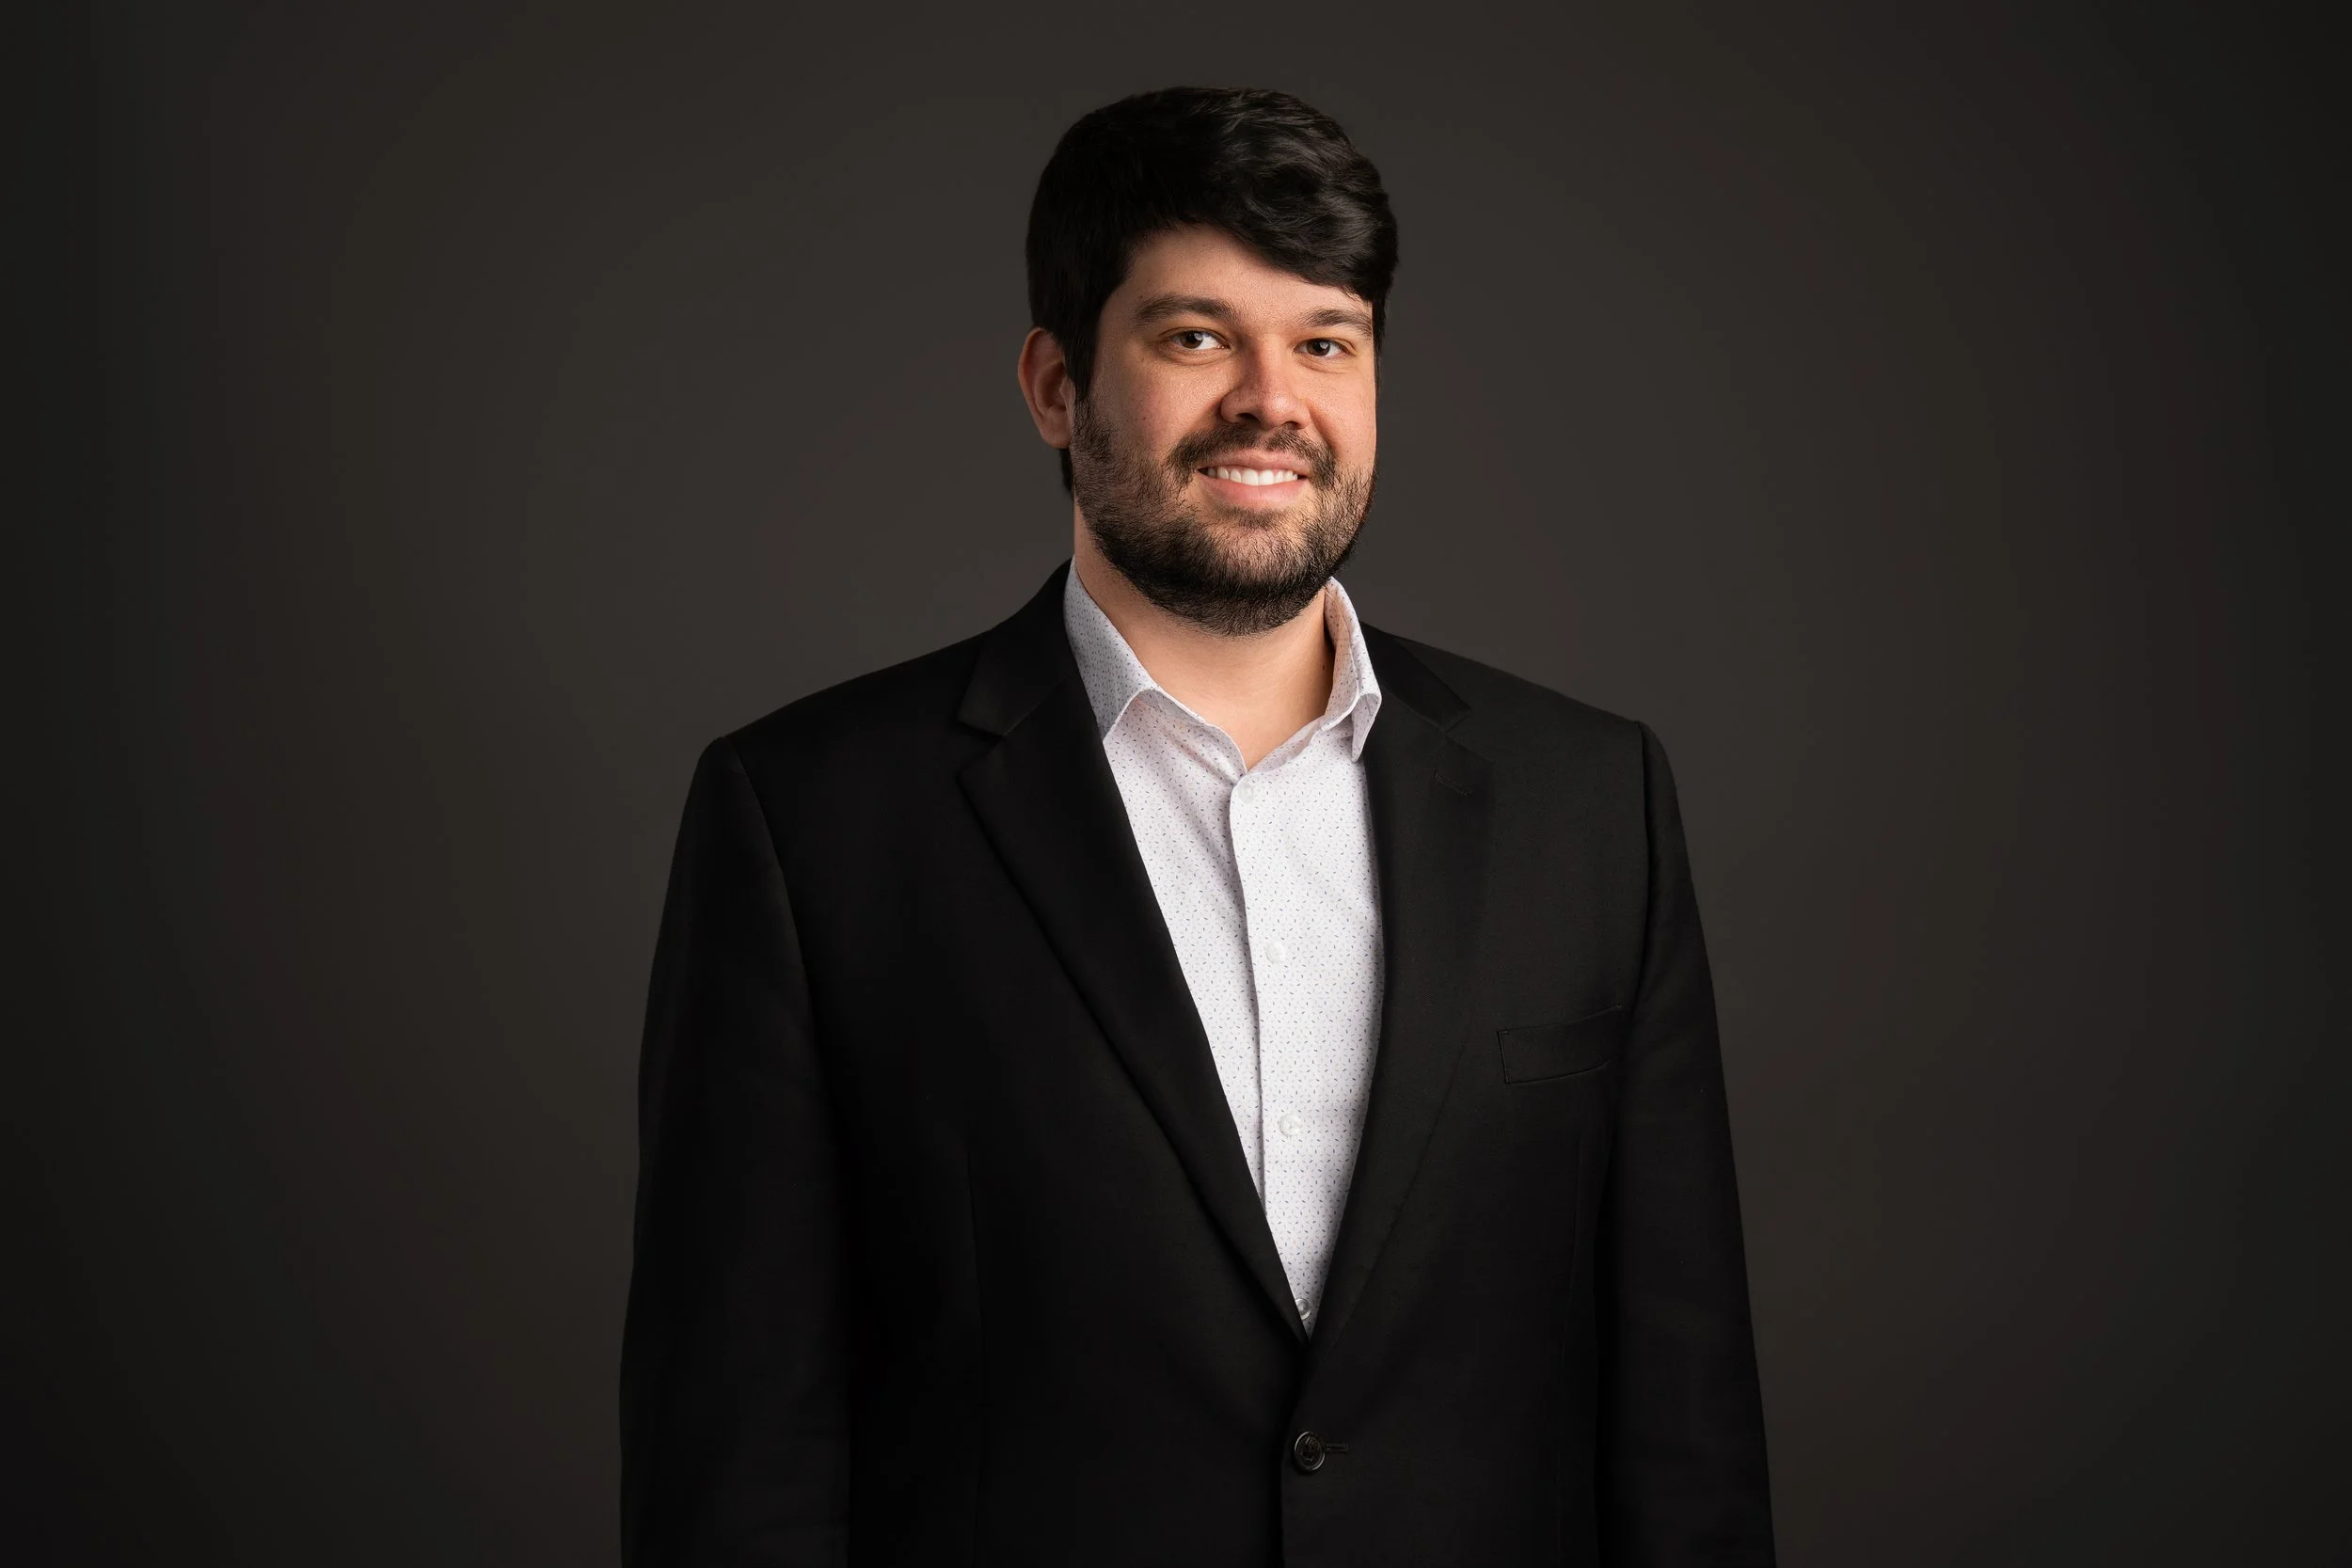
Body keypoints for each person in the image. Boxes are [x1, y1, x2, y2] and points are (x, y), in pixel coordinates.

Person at [620, 86, 1773, 1566]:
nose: (1270, 400)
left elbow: (1688, 1438)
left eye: (1325, 342)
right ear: (1054, 384)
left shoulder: (1592, 801)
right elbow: (737, 1463)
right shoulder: (807, 819)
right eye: (1194, 336)